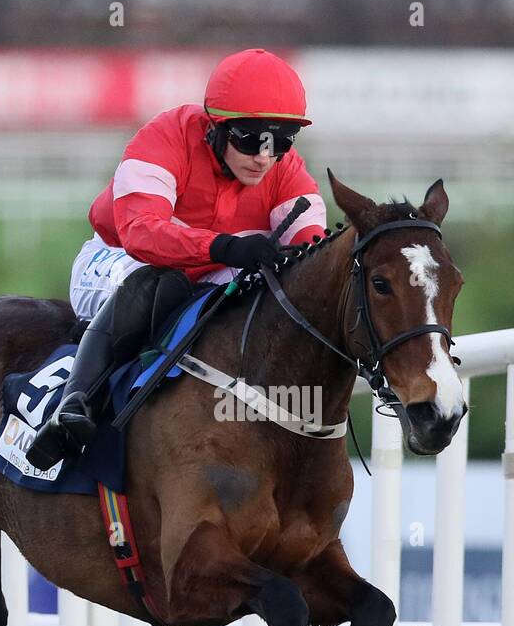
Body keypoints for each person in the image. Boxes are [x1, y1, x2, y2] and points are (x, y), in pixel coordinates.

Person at [25, 48, 328, 470]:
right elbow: (140, 232)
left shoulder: (283, 167)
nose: (264, 156)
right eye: (250, 139)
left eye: (279, 140)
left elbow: (311, 243)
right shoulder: (164, 138)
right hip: (120, 260)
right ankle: (73, 406)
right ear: (215, 127)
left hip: (209, 272)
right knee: (162, 283)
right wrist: (225, 247)